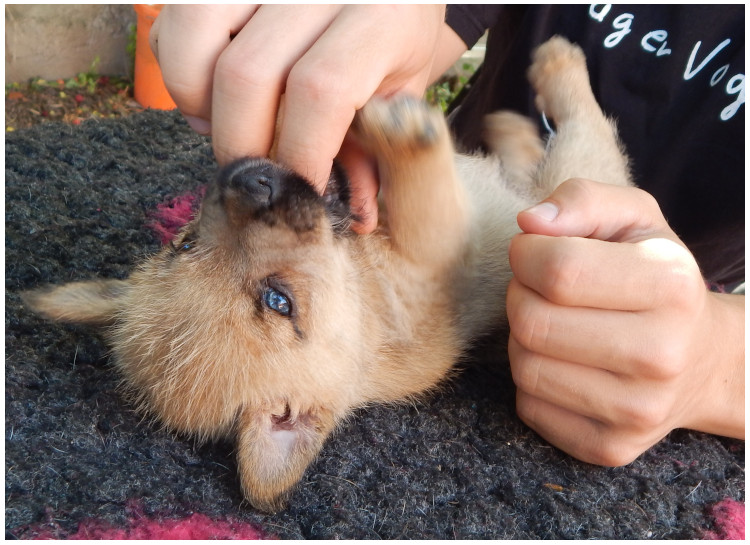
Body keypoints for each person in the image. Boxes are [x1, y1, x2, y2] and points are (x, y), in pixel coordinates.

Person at [150, 5, 744, 466]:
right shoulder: (399, 353)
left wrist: (719, 362)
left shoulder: (313, 314)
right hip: (577, 233)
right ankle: (575, 113)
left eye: (192, 246)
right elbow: (428, 254)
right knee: (581, 185)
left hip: (688, 285)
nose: (238, 213)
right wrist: (351, 41)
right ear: (293, 419)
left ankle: (525, 150)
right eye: (276, 300)